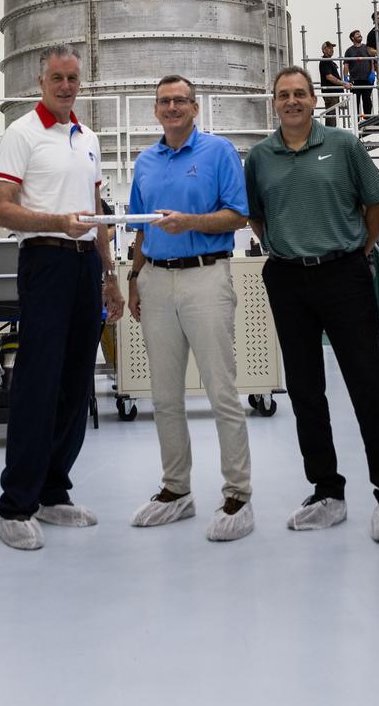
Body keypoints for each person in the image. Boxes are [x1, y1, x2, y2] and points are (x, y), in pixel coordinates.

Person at [244, 66, 379, 544]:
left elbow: (377, 203)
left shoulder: (344, 145)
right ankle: (327, 491)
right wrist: (287, 245)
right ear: (273, 103)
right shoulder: (259, 158)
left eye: (299, 93)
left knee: (368, 386)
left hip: (344, 274)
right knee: (304, 390)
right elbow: (257, 215)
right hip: (287, 278)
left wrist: (357, 249)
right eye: (283, 95)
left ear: (314, 100)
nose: (292, 101)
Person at [0, 44, 124, 549]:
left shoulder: (87, 137)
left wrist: (109, 273)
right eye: (57, 78)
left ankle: (52, 490)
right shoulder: (21, 133)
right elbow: (0, 209)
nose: (65, 85)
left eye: (72, 78)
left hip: (86, 263)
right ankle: (15, 504)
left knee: (74, 382)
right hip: (44, 261)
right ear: (40, 81)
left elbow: (95, 210)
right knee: (38, 383)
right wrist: (55, 223)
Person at [126, 75, 254, 542]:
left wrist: (191, 223)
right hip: (156, 280)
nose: (173, 107)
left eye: (181, 101)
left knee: (222, 391)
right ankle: (176, 490)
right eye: (165, 102)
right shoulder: (145, 160)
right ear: (155, 109)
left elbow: (237, 214)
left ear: (195, 108)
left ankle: (238, 493)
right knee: (163, 395)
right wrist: (134, 277)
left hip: (205, 275)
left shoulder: (218, 152)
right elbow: (140, 228)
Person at [344, 29, 376, 118]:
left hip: (367, 79)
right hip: (355, 80)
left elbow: (372, 61)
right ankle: (356, 120)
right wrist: (345, 78)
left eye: (360, 34)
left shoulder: (366, 48)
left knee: (367, 100)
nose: (359, 35)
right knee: (355, 101)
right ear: (352, 38)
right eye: (357, 34)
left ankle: (367, 119)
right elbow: (346, 65)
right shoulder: (349, 51)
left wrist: (373, 73)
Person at [317, 40, 348, 128]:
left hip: (333, 94)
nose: (332, 49)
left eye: (332, 48)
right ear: (324, 50)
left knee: (333, 116)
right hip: (331, 94)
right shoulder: (325, 61)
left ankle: (331, 134)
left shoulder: (329, 61)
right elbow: (329, 77)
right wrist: (343, 83)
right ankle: (329, 136)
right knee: (332, 116)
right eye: (329, 48)